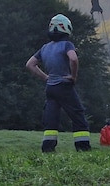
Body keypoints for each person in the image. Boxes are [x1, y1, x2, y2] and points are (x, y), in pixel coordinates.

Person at [25, 14, 91, 152]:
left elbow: (30, 64)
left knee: (51, 118)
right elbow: (73, 59)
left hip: (50, 88)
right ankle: (83, 147)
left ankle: (48, 148)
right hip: (64, 86)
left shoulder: (44, 48)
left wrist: (45, 77)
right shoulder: (67, 44)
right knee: (78, 115)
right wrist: (73, 76)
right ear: (67, 29)